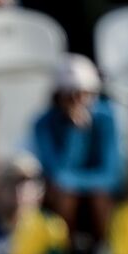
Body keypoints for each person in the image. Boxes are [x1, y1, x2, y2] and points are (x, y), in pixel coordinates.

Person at [30, 54, 121, 237]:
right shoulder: (43, 123)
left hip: (94, 192)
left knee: (100, 198)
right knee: (65, 197)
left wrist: (78, 183)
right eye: (69, 95)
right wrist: (75, 133)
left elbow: (111, 173)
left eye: (83, 94)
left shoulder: (106, 119)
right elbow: (56, 172)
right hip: (63, 193)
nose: (77, 100)